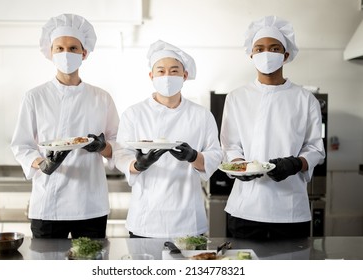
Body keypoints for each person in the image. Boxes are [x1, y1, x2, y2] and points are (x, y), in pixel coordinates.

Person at [10, 14, 119, 239]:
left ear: (84, 53)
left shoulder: (102, 98)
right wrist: (43, 164)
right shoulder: (35, 97)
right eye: (59, 48)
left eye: (72, 48)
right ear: (51, 53)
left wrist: (102, 146)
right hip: (48, 204)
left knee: (90, 266)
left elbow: (118, 146)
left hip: (90, 204)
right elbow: (21, 145)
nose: (65, 54)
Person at [220, 15, 325, 240]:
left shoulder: (305, 99)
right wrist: (240, 166)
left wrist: (296, 163)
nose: (266, 54)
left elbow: (316, 149)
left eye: (274, 48)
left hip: (290, 212)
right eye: (259, 49)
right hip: (245, 208)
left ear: (285, 55)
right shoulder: (237, 97)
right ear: (251, 54)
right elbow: (230, 146)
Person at [113, 40, 223, 238]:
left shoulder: (201, 115)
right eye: (161, 71)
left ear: (185, 75)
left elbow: (215, 155)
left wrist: (193, 156)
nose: (167, 77)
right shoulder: (134, 113)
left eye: (174, 71)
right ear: (151, 76)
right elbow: (120, 154)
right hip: (146, 218)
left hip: (188, 218)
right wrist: (139, 165)